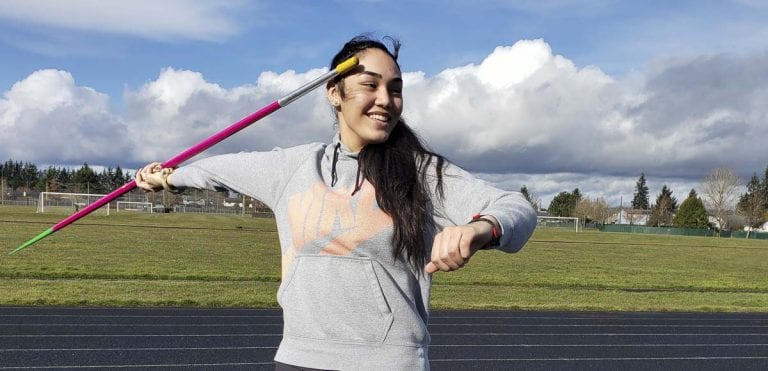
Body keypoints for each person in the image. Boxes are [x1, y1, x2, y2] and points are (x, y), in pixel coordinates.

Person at [135, 34, 537, 371]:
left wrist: (481, 228)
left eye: (395, 90)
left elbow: (516, 208)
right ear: (334, 92)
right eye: (370, 85)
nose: (385, 100)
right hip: (299, 357)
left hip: (389, 361)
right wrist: (167, 177)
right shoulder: (293, 166)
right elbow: (220, 170)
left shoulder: (421, 171)